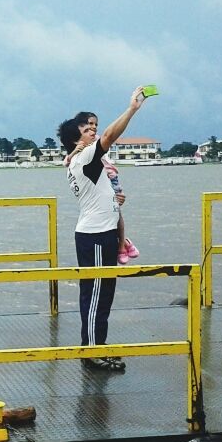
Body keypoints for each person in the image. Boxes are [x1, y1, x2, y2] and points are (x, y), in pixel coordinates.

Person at [57, 87, 147, 372]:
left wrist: (114, 199)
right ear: (76, 139)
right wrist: (132, 109)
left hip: (102, 233)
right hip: (94, 236)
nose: (93, 132)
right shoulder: (83, 159)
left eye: (93, 127)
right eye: (87, 130)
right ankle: (93, 353)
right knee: (96, 294)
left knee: (103, 294)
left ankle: (98, 347)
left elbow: (100, 190)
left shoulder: (84, 162)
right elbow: (109, 137)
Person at [81, 113, 140, 264]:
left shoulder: (96, 140)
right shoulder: (82, 146)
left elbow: (108, 136)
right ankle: (125, 242)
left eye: (95, 124)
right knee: (109, 213)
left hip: (110, 178)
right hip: (98, 183)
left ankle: (121, 245)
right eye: (89, 125)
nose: (93, 128)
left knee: (116, 212)